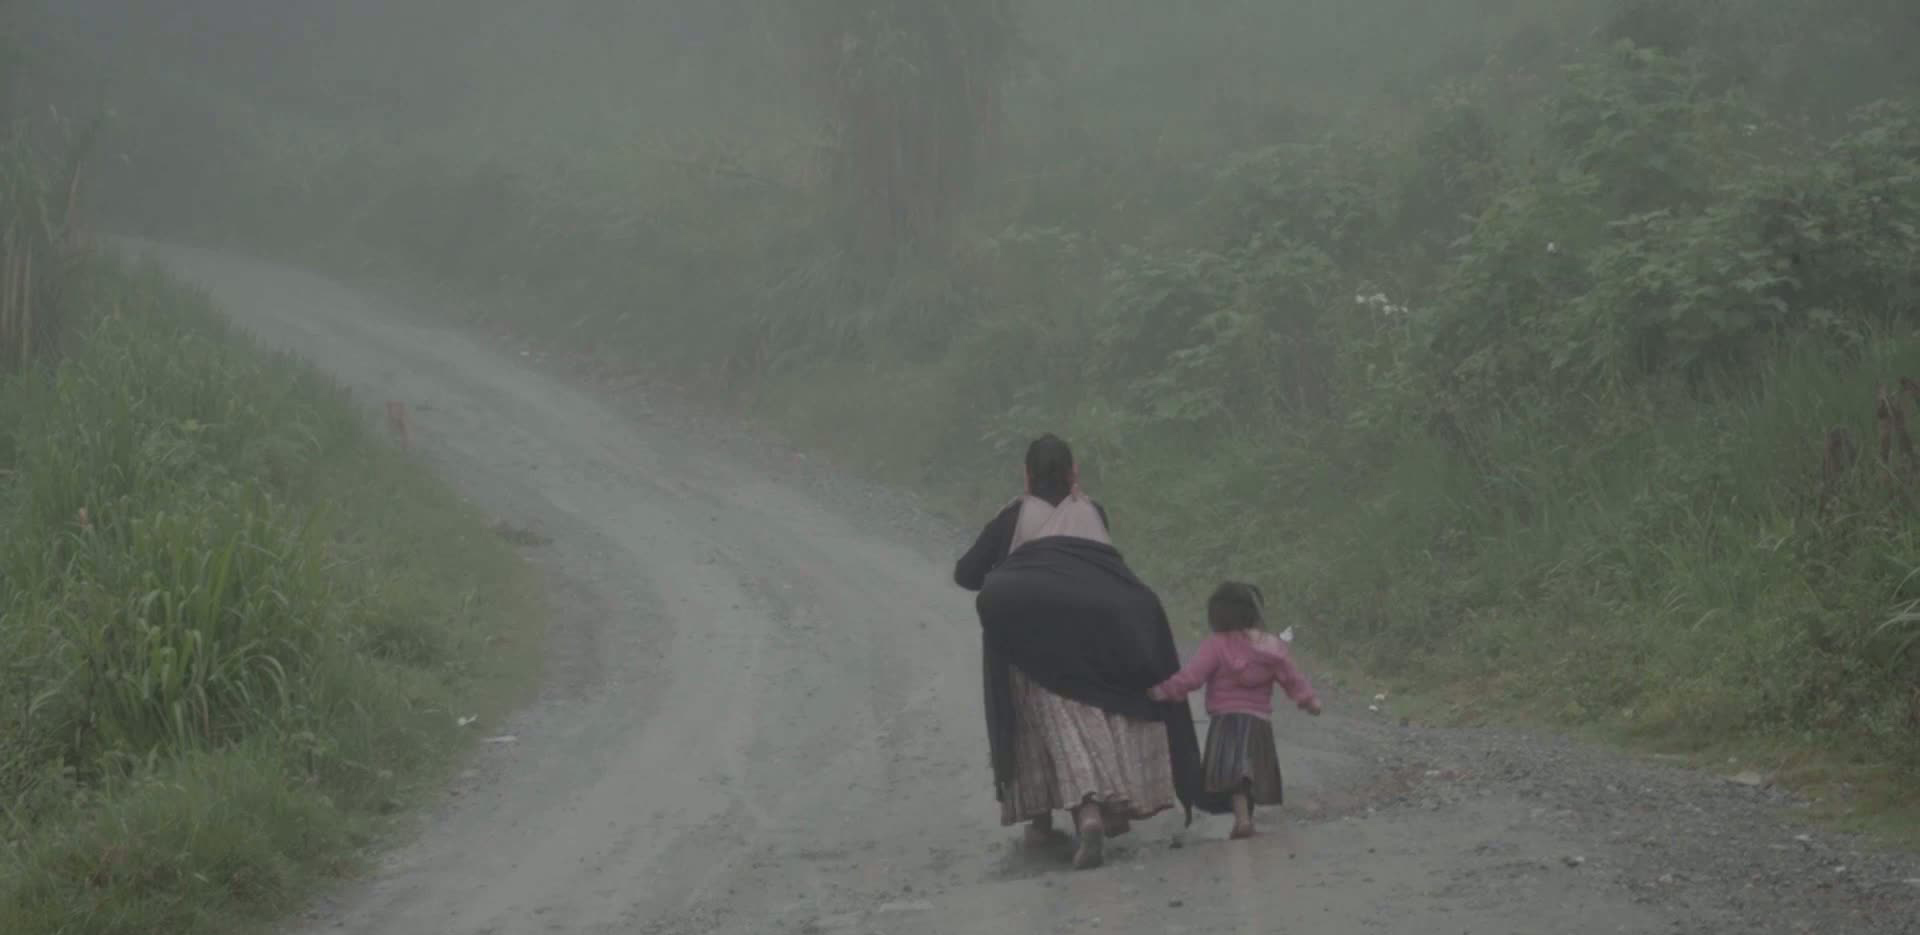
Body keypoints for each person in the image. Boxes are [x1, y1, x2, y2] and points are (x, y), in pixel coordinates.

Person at [955, 434, 1206, 870]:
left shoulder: (1014, 516)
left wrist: (1013, 572)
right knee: (1095, 716)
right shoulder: (1093, 511)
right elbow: (1103, 570)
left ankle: (1076, 813)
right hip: (1097, 639)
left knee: (1042, 724)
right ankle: (1109, 805)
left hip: (1032, 644)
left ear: (1027, 475)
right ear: (1074, 473)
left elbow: (967, 574)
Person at [1149, 581, 1321, 840]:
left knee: (1236, 773)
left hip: (1227, 719)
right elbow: (1291, 678)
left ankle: (1242, 820)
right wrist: (1308, 700)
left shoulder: (1216, 645)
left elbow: (1192, 678)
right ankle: (1247, 819)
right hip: (1258, 720)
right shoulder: (1271, 647)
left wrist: (1163, 691)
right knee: (1248, 770)